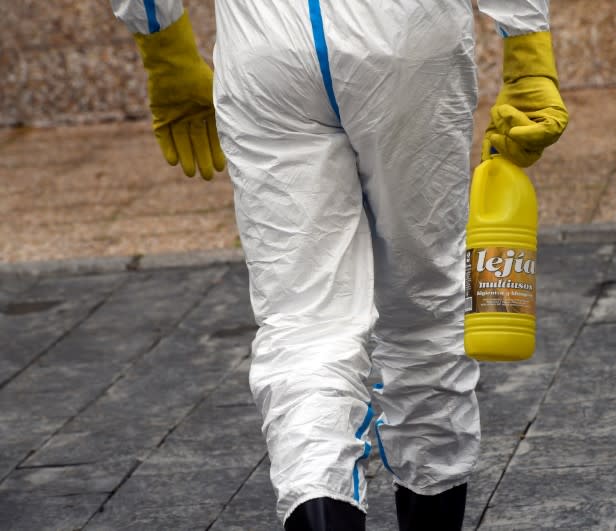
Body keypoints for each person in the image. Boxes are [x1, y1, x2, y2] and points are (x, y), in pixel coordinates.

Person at [109, 1, 568, 529]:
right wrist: (528, 53)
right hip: (408, 36)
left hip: (265, 49)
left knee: (304, 325)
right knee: (426, 309)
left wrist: (164, 50)